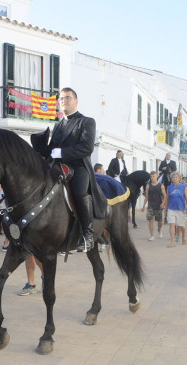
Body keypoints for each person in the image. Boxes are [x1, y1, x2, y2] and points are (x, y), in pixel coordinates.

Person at [45, 87, 105, 252]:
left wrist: (62, 152)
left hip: (78, 166)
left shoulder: (86, 121)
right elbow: (51, 149)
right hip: (57, 167)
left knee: (79, 192)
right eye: (62, 98)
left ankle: (88, 235)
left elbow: (86, 147)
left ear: (76, 101)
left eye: (68, 98)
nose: (64, 101)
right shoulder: (58, 125)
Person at [164, 172, 187, 247]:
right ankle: (173, 242)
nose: (174, 179)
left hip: (181, 209)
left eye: (176, 177)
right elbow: (167, 199)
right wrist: (165, 210)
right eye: (173, 177)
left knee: (181, 226)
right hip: (171, 209)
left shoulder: (183, 187)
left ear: (179, 178)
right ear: (171, 179)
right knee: (172, 225)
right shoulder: (169, 187)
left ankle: (183, 236)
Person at [141, 171, 166, 241]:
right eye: (151, 176)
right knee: (150, 220)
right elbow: (146, 196)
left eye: (153, 176)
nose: (152, 178)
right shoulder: (148, 186)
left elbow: (165, 195)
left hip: (159, 206)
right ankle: (152, 235)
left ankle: (159, 229)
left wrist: (163, 203)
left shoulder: (161, 185)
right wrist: (143, 206)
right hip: (150, 206)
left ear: (157, 176)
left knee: (159, 222)